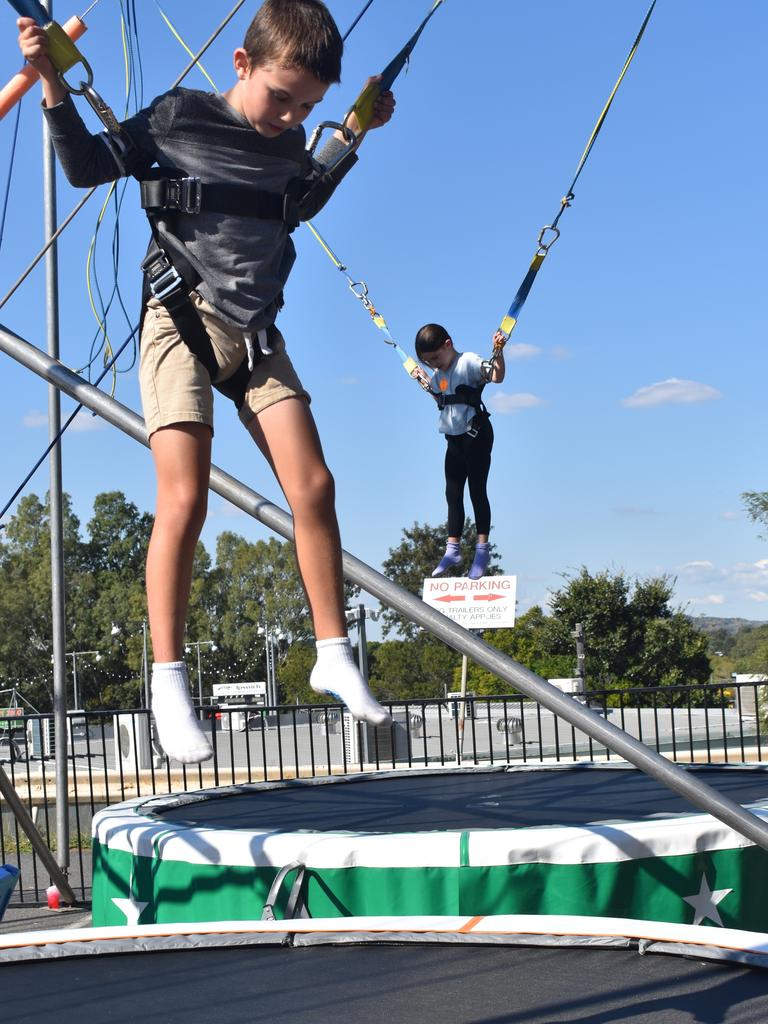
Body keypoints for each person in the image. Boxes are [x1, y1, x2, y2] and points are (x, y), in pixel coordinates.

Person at [17, 0, 394, 763]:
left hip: (256, 335)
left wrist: (350, 136)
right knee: (184, 496)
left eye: (306, 106)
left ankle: (332, 651)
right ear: (242, 64)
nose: (288, 116)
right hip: (180, 322)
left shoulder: (292, 144)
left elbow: (300, 198)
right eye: (280, 97)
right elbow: (88, 167)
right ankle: (166, 681)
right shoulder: (177, 118)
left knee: (314, 488)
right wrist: (55, 86)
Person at [414, 323, 506, 580]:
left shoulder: (469, 362)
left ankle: (482, 550)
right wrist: (424, 379)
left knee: (477, 491)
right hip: (453, 441)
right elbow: (442, 397)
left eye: (436, 358)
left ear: (448, 344)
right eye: (429, 362)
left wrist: (499, 351)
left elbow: (496, 376)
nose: (435, 365)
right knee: (452, 494)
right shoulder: (437, 374)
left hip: (476, 435)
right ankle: (452, 548)